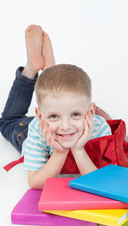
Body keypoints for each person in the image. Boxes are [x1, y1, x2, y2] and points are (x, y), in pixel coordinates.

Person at [0, 25, 112, 189]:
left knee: (56, 99)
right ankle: (31, 68)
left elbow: (101, 183)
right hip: (34, 130)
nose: (66, 127)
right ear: (39, 115)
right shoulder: (37, 132)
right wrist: (60, 152)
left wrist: (78, 149)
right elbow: (35, 183)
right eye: (54, 116)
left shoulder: (100, 127)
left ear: (90, 112)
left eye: (75, 114)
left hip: (53, 117)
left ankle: (50, 72)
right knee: (8, 121)